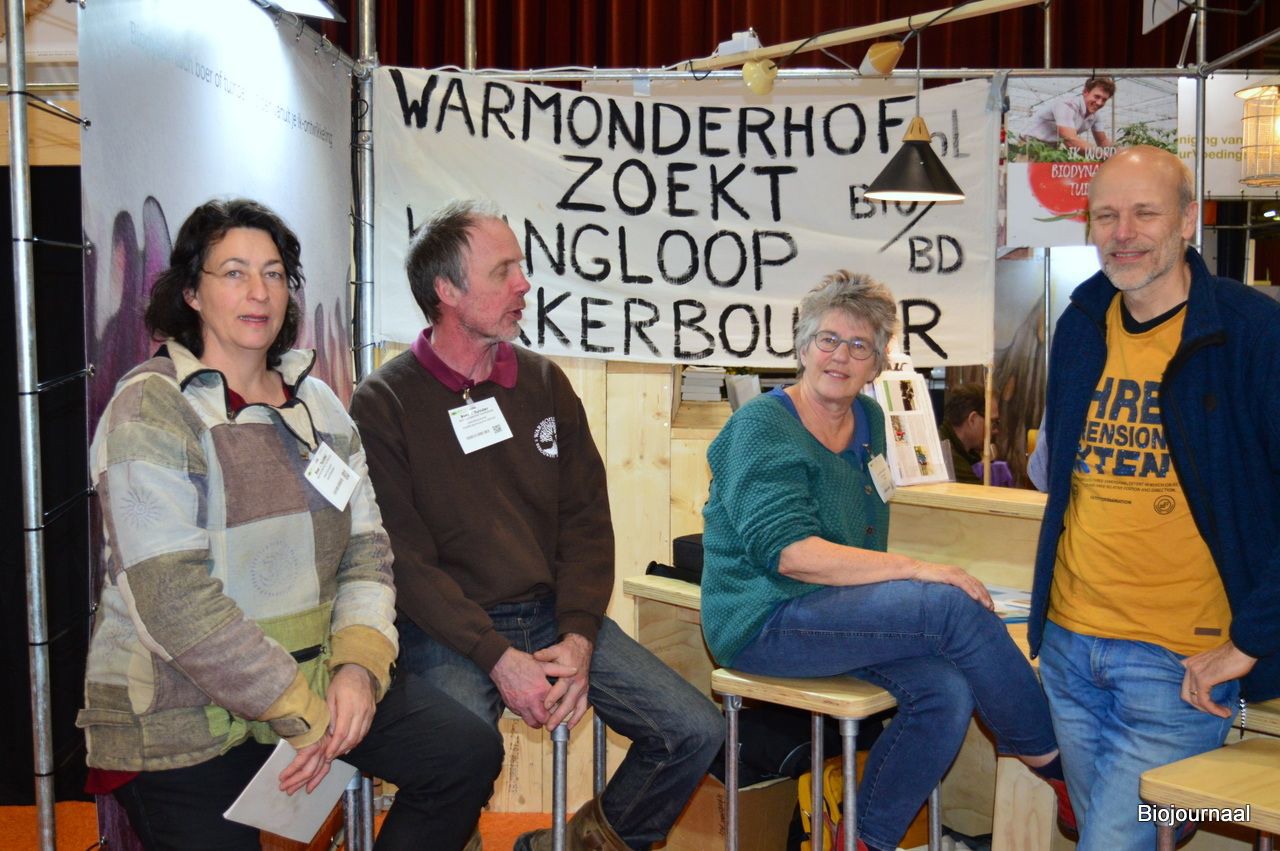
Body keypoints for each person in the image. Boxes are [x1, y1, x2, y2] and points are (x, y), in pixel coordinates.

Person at [79, 199, 502, 851]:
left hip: (322, 681)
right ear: (190, 292)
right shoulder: (151, 407)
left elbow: (367, 553)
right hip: (181, 715)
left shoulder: (319, 403)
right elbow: (173, 601)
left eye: (274, 274)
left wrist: (358, 668)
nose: (260, 291)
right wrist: (299, 709)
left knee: (464, 754)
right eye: (234, 273)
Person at [349, 200, 723, 851]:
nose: (524, 284)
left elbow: (586, 523)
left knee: (693, 731)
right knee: (460, 758)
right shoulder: (384, 401)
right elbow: (403, 560)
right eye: (504, 271)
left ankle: (575, 846)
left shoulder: (545, 383)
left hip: (552, 615)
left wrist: (578, 637)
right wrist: (495, 656)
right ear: (447, 291)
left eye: (519, 268)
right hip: (447, 630)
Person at [700, 271, 1072, 851]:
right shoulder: (762, 426)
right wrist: (916, 570)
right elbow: (792, 554)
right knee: (950, 606)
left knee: (948, 691)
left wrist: (902, 582)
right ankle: (1060, 769)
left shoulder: (870, 421)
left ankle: (862, 840)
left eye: (860, 346)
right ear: (803, 346)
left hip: (833, 612)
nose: (841, 356)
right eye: (828, 339)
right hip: (763, 618)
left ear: (877, 363)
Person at [1029, 145, 1280, 850]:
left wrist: (1251, 641)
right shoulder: (1081, 324)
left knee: (1114, 840)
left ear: (1188, 219)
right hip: (1071, 650)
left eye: (1145, 212)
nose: (1123, 232)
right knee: (1109, 831)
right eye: (1106, 215)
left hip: (1178, 667)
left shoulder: (1252, 333)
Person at [1025, 76, 1114, 153]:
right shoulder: (1067, 105)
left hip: (1051, 147)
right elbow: (1070, 141)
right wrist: (1104, 155)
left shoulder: (1095, 115)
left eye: (1104, 100)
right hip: (1030, 144)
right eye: (1097, 96)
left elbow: (1103, 142)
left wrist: (1117, 153)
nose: (1099, 103)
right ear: (1085, 92)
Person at [940, 383, 997, 485]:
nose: (996, 430)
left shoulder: (947, 443)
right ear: (972, 420)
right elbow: (980, 495)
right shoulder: (950, 459)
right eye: (993, 422)